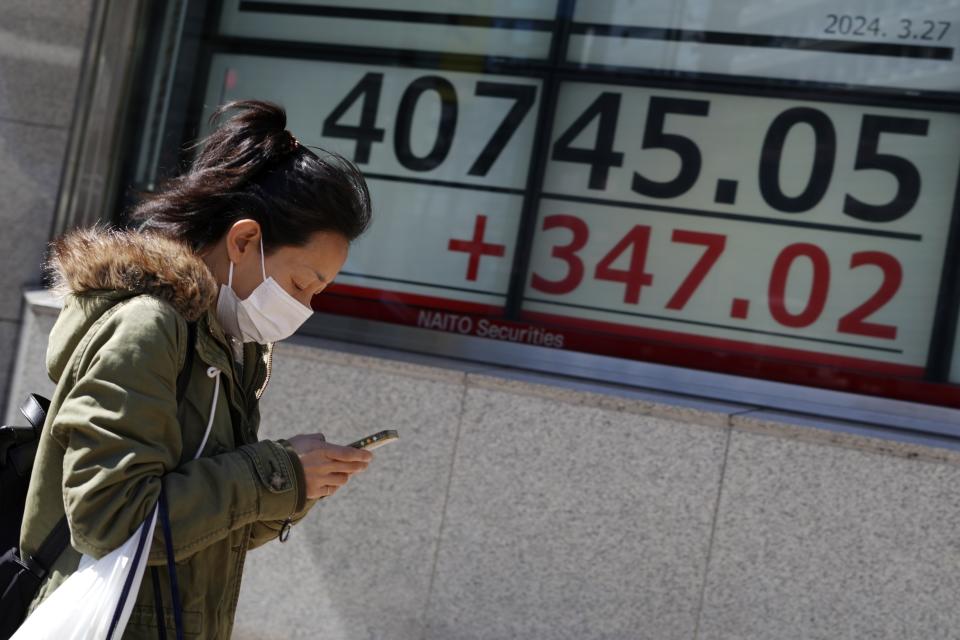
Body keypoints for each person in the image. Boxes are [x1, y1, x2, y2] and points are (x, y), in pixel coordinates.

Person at [18, 99, 374, 638]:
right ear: (245, 240)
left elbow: (203, 527)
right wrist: (273, 472)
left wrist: (295, 484)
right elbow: (110, 520)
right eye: (303, 284)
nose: (305, 307)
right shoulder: (148, 328)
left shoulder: (232, 346)